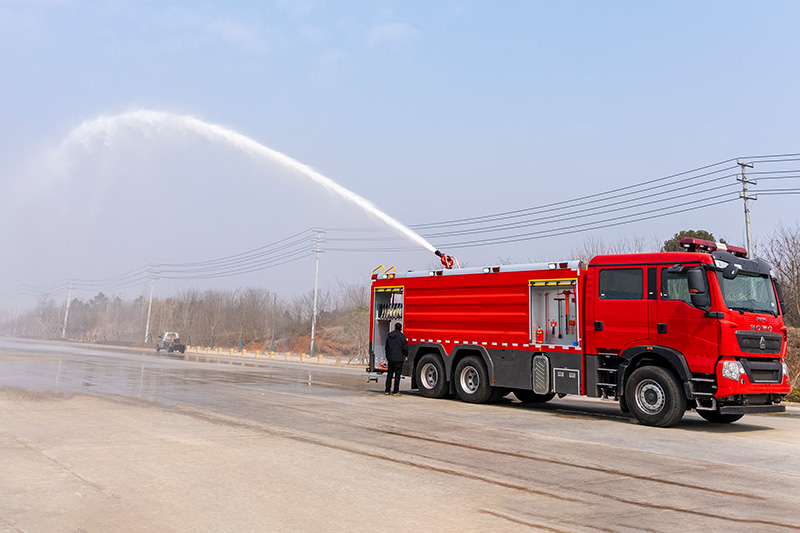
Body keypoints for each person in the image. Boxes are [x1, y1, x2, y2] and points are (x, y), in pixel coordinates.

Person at [384, 322, 408, 396]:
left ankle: (387, 390)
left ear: (394, 327)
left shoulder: (389, 336)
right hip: (399, 359)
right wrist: (406, 355)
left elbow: (386, 347)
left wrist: (387, 356)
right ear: (400, 328)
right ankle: (395, 391)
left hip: (390, 358)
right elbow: (405, 348)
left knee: (389, 375)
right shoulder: (402, 337)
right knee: (397, 376)